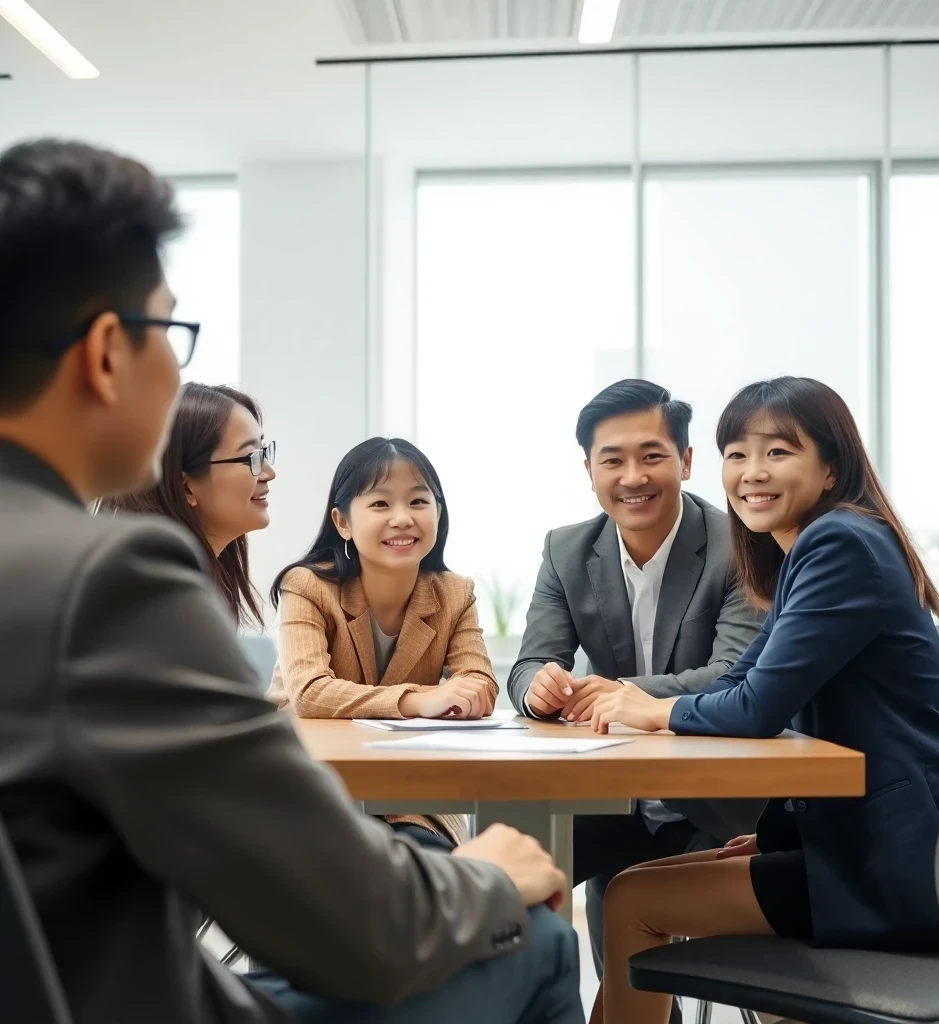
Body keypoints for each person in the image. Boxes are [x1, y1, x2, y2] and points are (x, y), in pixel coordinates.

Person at [0, 138, 583, 1024]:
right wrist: (488, 874)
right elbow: (360, 927)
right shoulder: (110, 582)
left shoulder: (447, 590)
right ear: (108, 351)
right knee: (542, 936)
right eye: (170, 333)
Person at [587, 376, 939, 1024]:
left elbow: (755, 707)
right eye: (736, 454)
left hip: (899, 871)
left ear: (829, 468)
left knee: (632, 902)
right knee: (644, 888)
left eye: (777, 452)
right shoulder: (818, 551)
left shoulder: (840, 544)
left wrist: (649, 708)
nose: (750, 473)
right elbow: (738, 681)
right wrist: (774, 840)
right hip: (877, 851)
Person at [506, 379, 764, 989]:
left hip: (720, 804)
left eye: (652, 456)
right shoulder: (568, 550)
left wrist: (619, 692)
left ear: (687, 461)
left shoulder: (738, 545)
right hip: (614, 799)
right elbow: (527, 664)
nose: (632, 476)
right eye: (612, 460)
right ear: (589, 470)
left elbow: (734, 675)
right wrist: (537, 688)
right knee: (508, 877)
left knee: (628, 906)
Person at [267, 436, 498, 848]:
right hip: (310, 789)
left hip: (415, 800)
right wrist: (420, 700)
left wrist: (471, 693)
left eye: (418, 502)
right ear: (342, 523)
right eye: (380, 504)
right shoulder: (308, 586)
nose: (402, 518)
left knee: (433, 872)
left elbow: (479, 684)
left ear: (438, 513)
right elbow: (309, 694)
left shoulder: (455, 593)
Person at [97, 381, 275, 628]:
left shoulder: (187, 582)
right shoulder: (159, 596)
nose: (269, 472)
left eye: (264, 453)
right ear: (186, 487)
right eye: (251, 457)